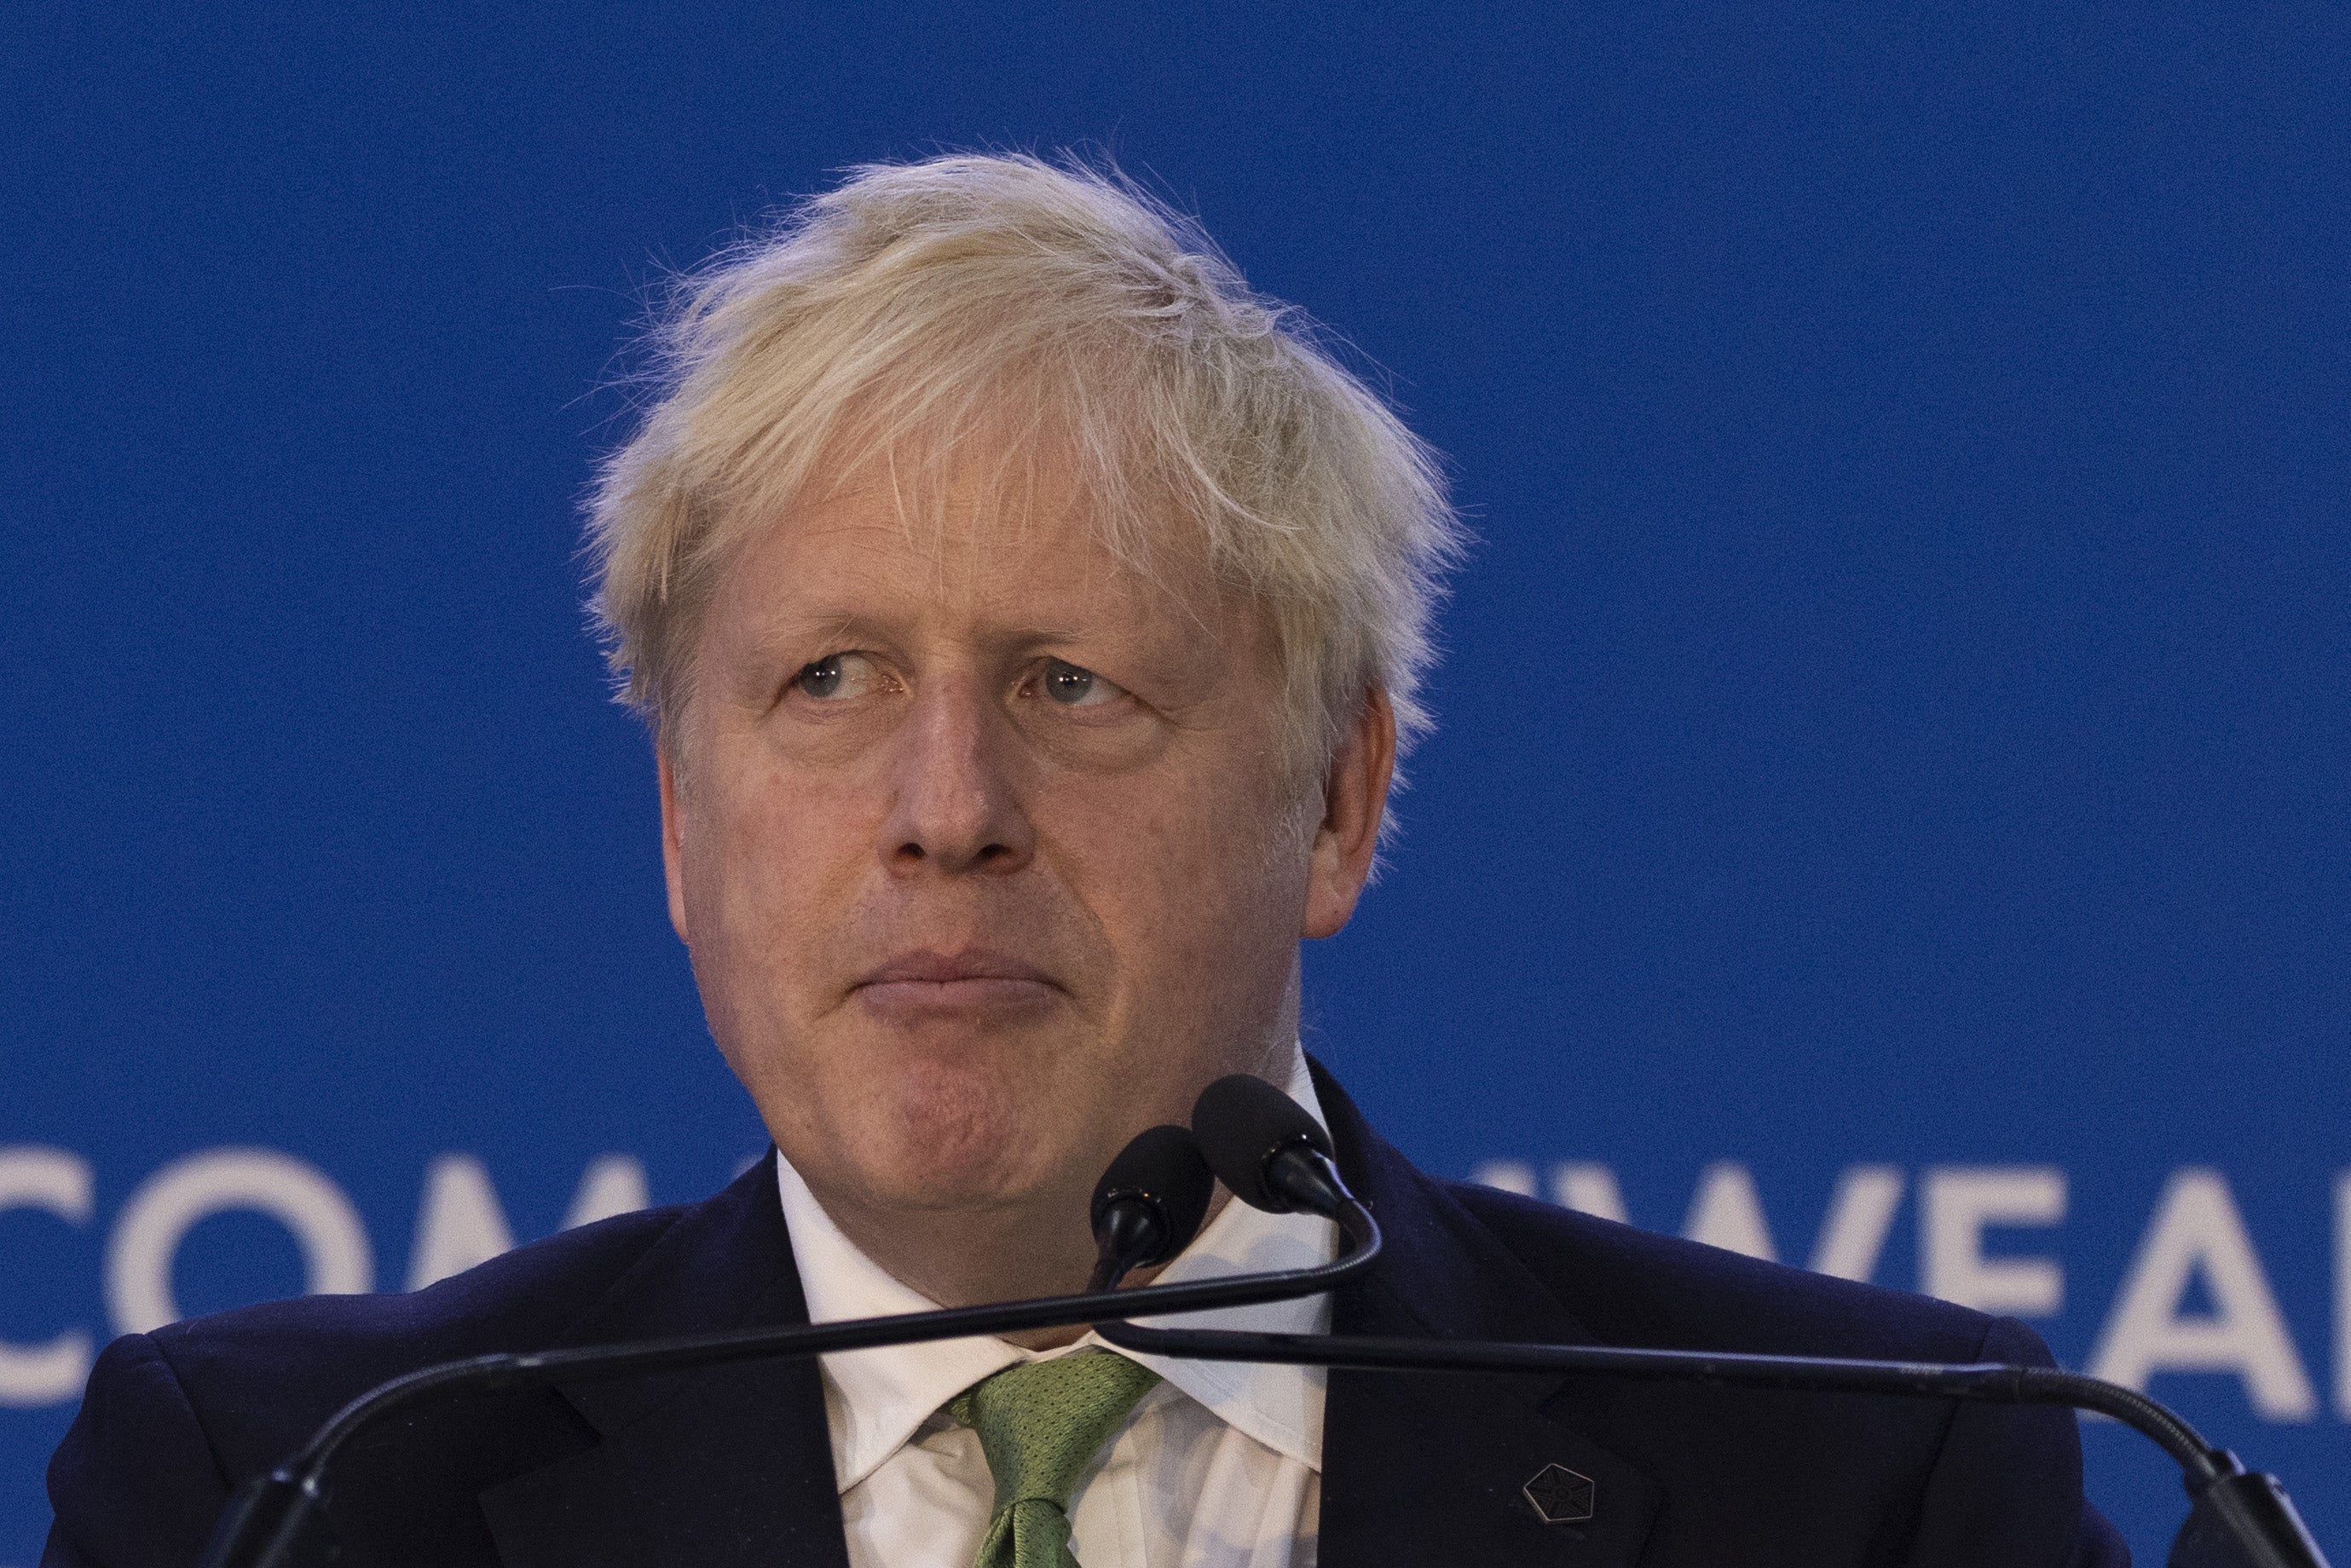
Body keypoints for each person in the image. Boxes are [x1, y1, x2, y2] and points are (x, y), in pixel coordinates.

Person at [43, 153, 2124, 1568]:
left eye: (1067, 681)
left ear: (1335, 799)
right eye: (831, 678)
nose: (944, 804)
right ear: (681, 822)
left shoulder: (1862, 1478)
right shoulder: (298, 1494)